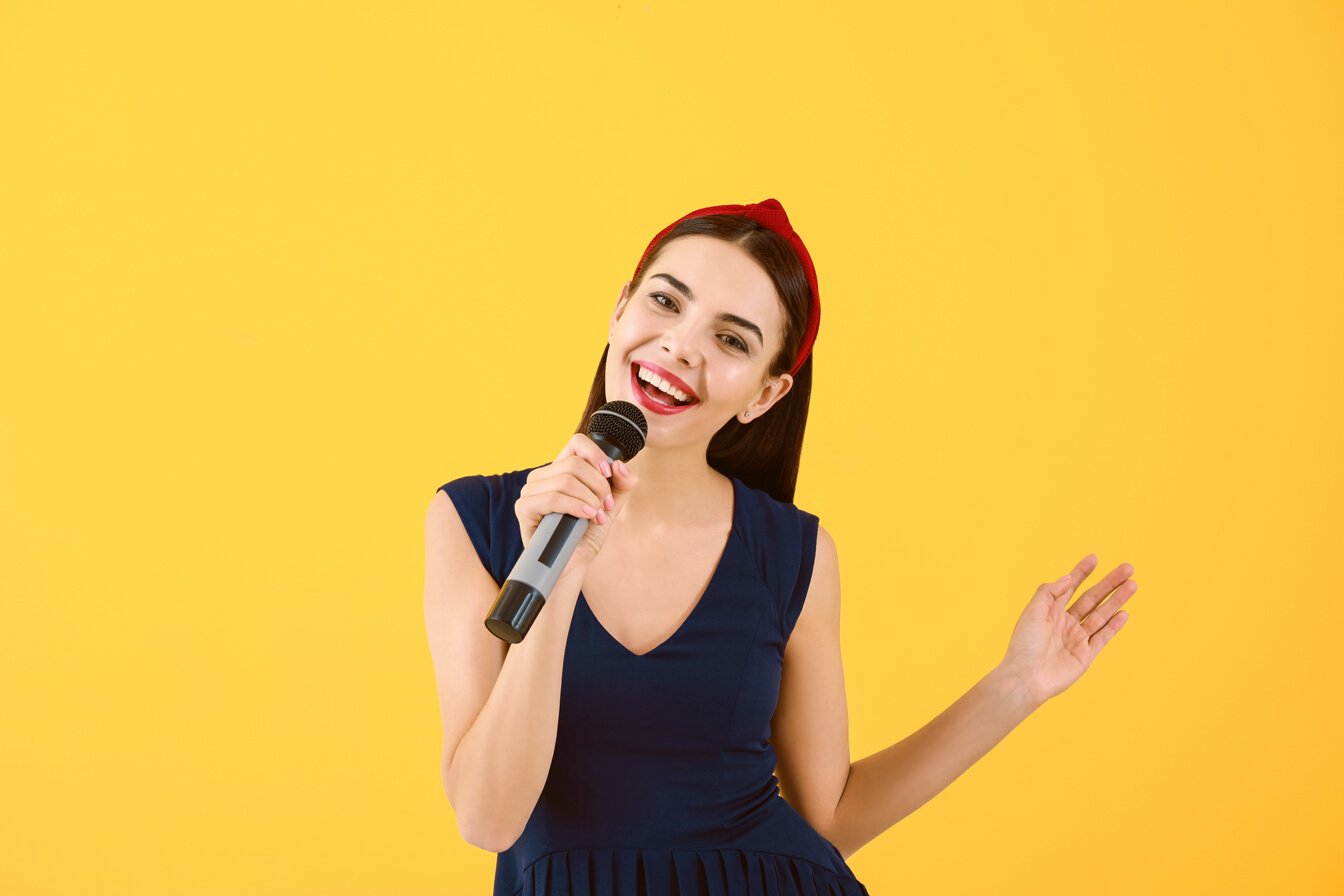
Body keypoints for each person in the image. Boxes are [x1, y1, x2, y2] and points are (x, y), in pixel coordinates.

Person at [423, 199, 1138, 895]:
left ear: (766, 395)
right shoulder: (474, 521)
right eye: (666, 303)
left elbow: (833, 816)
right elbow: (489, 818)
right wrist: (562, 571)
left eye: (731, 340)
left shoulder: (794, 553)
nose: (681, 345)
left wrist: (1015, 686)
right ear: (619, 310)